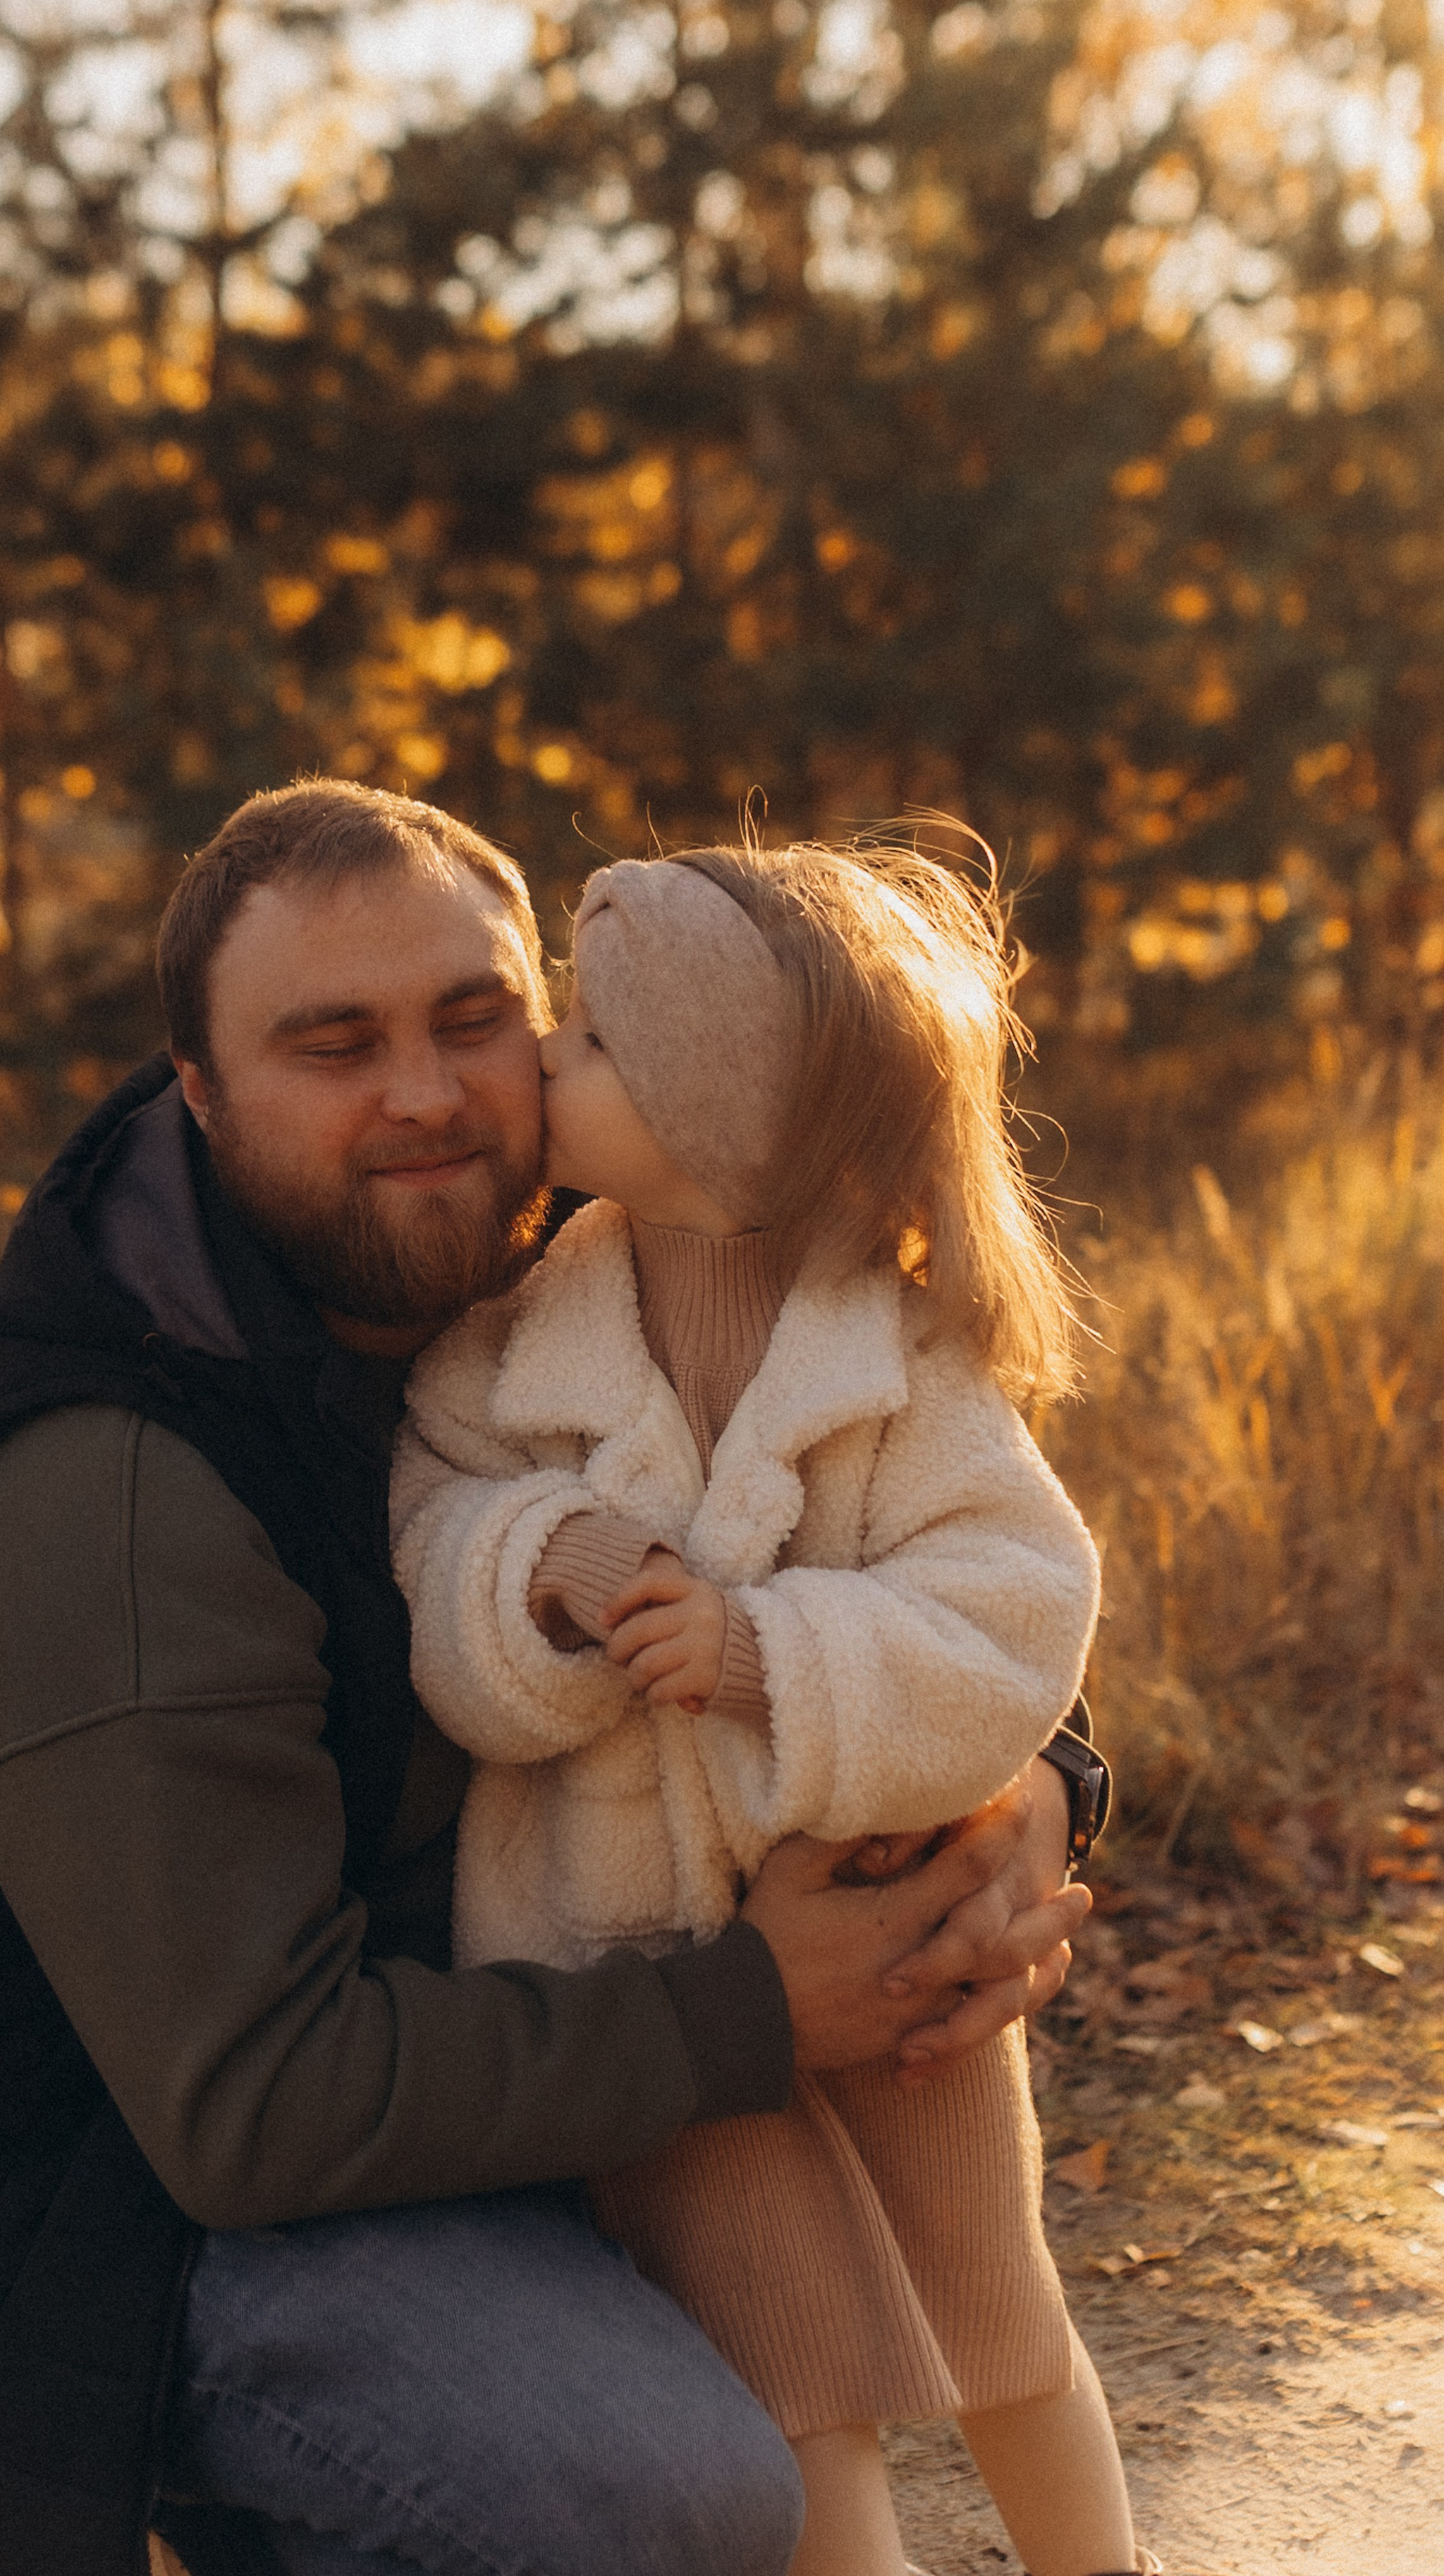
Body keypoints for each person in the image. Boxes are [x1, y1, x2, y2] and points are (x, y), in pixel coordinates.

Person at [0, 780, 1099, 2576]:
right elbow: (251, 2112)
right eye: (332, 1046)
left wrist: (1023, 1794)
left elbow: (861, 1543)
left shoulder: (548, 1286)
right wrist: (753, 2010)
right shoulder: (109, 1491)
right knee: (664, 2491)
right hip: (94, 2239)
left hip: (446, 2082)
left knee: (850, 2354)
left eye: (472, 1020)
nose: (422, 1093)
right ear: (201, 1091)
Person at [391, 841, 1145, 2576]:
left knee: (1000, 2319)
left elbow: (1015, 1603)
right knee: (785, 2360)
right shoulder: (512, 1332)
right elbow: (428, 1521)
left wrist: (765, 1657)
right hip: (638, 1960)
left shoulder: (902, 1356)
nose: (542, 1070)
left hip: (881, 1934)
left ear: (709, 1115)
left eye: (588, 1048)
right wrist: (548, 1558)